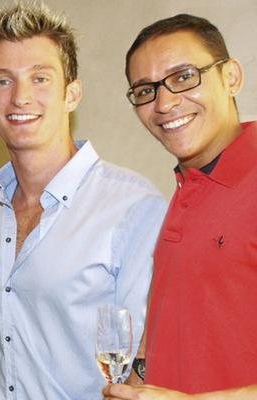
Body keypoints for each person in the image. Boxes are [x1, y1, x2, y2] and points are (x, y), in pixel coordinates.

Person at [0, 3, 167, 399]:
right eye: (3, 81)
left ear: (72, 93)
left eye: (40, 78)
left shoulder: (134, 208)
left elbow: (146, 367)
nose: (21, 97)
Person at [103, 14, 257, 400]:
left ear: (231, 76)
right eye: (145, 90)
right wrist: (138, 375)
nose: (165, 103)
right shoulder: (186, 185)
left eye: (184, 76)